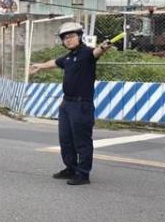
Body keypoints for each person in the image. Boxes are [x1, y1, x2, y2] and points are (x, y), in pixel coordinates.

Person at [29, 22, 113, 185]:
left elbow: (97, 52)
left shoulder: (87, 54)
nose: (68, 40)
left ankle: (83, 174)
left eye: (71, 36)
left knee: (81, 140)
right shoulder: (68, 57)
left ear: (80, 36)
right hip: (66, 104)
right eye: (65, 38)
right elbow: (54, 62)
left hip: (81, 105)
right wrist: (39, 66)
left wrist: (104, 46)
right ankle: (71, 168)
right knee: (66, 139)